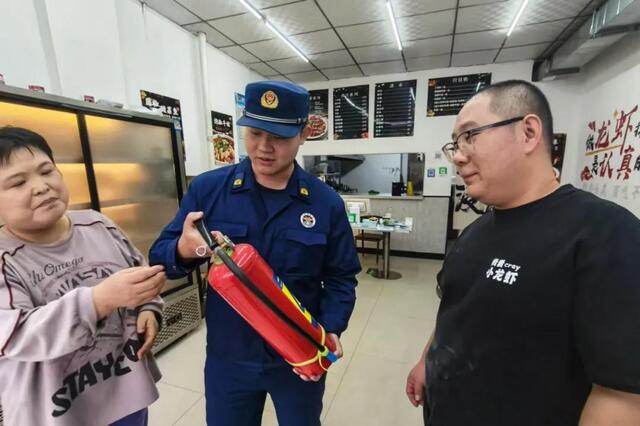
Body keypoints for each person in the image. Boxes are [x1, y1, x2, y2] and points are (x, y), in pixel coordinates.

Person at [406, 80, 640, 425]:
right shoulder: (475, 232)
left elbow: (621, 395)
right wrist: (427, 361)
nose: (457, 156)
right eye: (454, 144)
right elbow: (457, 311)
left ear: (528, 132)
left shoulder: (606, 234)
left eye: (470, 136)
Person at [149, 80, 360, 426]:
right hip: (229, 358)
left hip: (297, 353)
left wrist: (331, 329)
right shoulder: (208, 190)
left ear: (304, 134)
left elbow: (341, 278)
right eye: (254, 133)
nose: (263, 147)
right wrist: (184, 251)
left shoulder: (325, 204)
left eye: (278, 137)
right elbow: (161, 257)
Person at [0, 127, 165, 426]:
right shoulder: (5, 259)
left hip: (125, 391)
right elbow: (16, 335)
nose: (41, 187)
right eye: (18, 182)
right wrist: (98, 301)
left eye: (46, 171)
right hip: (58, 412)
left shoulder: (99, 225)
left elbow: (140, 276)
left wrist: (149, 309)